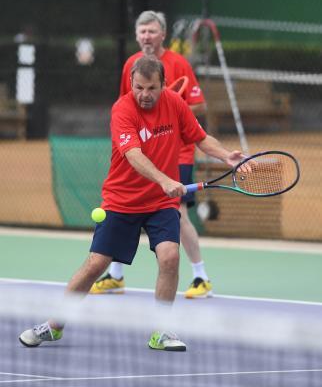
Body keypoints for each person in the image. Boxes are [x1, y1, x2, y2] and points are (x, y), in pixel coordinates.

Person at [19, 57, 248, 351]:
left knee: (169, 257)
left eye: (151, 88)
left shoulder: (174, 104)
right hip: (122, 200)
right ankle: (54, 325)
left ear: (163, 85)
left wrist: (226, 155)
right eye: (139, 87)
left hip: (160, 204)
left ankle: (161, 331)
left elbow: (200, 138)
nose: (145, 94)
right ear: (131, 84)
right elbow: (133, 155)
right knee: (95, 265)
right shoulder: (123, 109)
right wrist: (165, 179)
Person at [90, 10, 212, 299]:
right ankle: (116, 275)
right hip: (141, 155)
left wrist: (172, 107)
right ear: (137, 35)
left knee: (178, 214)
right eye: (142, 31)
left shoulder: (179, 63)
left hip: (175, 154)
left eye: (152, 31)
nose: (147, 36)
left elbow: (199, 107)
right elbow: (128, 103)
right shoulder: (132, 65)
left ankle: (200, 276)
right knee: (128, 210)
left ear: (163, 34)